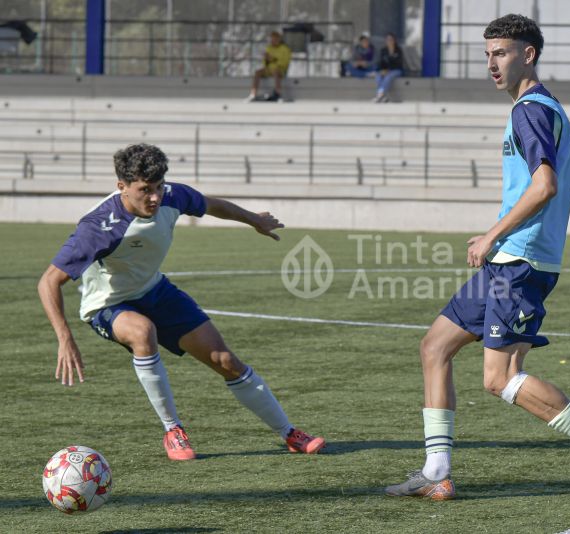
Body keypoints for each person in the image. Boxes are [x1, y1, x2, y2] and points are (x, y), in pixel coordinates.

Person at [384, 14, 570, 503]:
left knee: (499, 378)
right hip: (513, 261)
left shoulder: (529, 110)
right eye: (487, 54)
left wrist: (491, 234)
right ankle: (436, 471)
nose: (492, 62)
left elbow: (547, 185)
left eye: (500, 52)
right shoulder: (551, 109)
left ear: (528, 54)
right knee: (435, 347)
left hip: (517, 262)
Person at [37, 143, 325, 460]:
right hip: (106, 304)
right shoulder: (99, 227)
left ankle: (289, 433)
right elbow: (49, 280)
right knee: (142, 332)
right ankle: (173, 430)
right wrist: (64, 338)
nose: (155, 197)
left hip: (155, 290)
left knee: (226, 362)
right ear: (122, 187)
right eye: (144, 190)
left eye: (158, 187)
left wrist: (252, 219)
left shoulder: (172, 196)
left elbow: (211, 205)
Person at [247, 31, 291, 102]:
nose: (273, 41)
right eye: (272, 39)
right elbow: (265, 62)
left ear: (279, 39)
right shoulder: (269, 48)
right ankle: (253, 94)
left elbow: (285, 62)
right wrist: (266, 59)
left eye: (275, 39)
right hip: (269, 69)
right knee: (258, 72)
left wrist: (273, 59)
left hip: (280, 70)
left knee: (275, 71)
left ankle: (278, 93)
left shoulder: (285, 49)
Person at [373, 33, 404, 103]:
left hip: (396, 70)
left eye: (391, 40)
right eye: (388, 40)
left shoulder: (398, 50)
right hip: (385, 70)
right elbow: (381, 62)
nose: (389, 41)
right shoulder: (383, 50)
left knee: (388, 77)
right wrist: (381, 70)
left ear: (394, 41)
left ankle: (379, 95)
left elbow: (399, 63)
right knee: (378, 76)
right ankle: (383, 97)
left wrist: (388, 70)